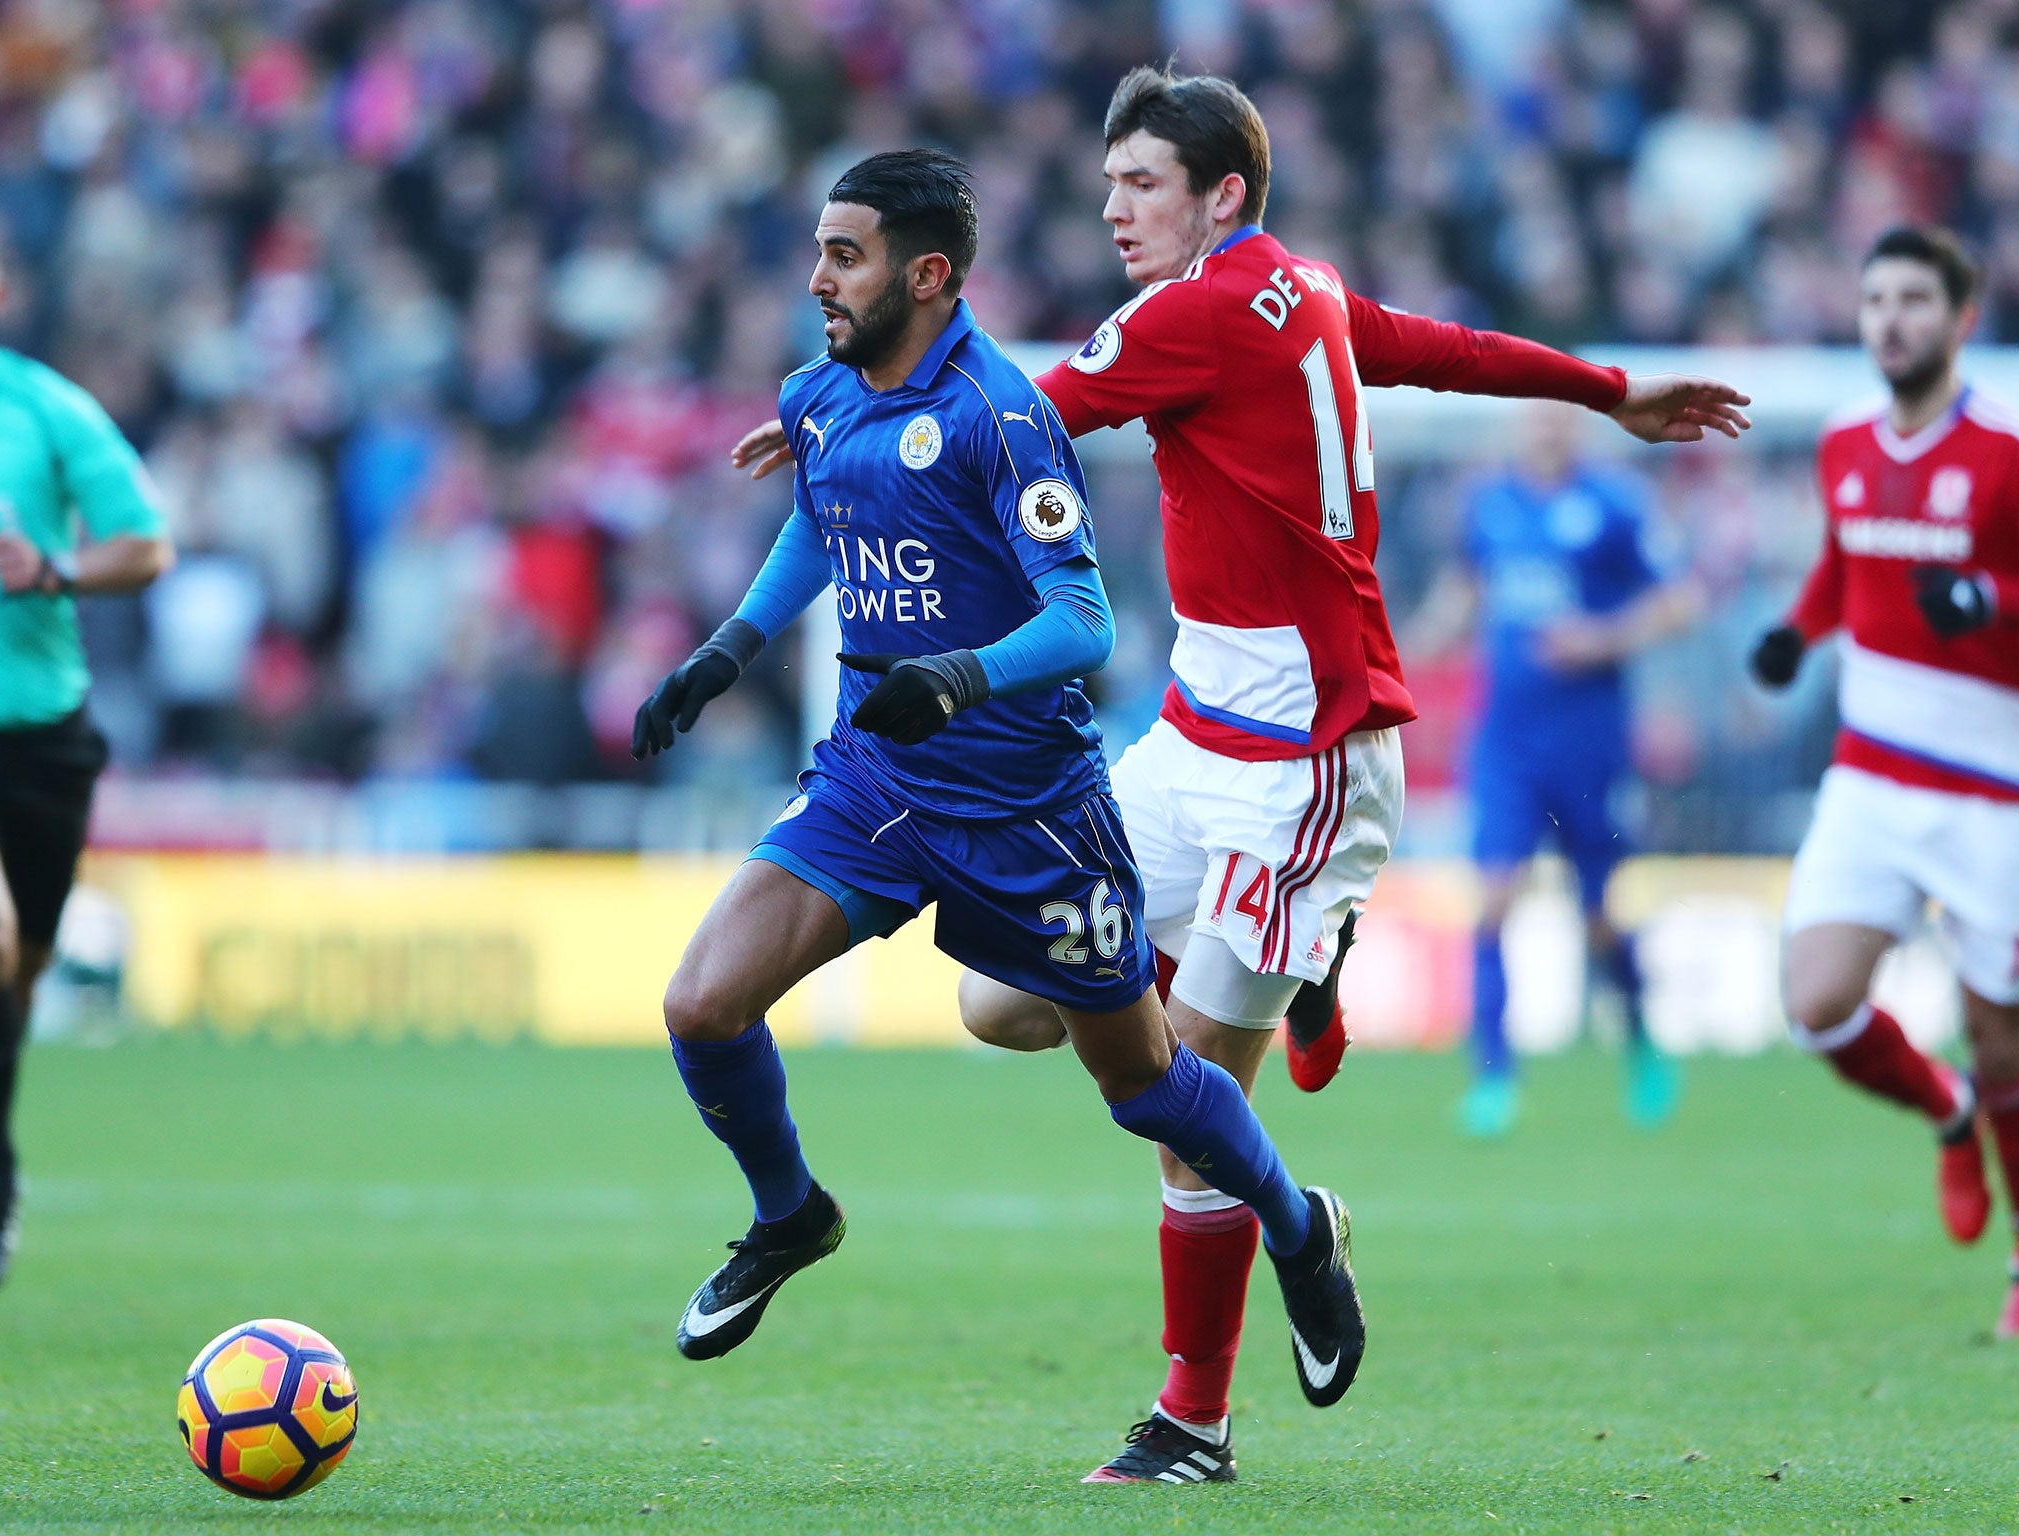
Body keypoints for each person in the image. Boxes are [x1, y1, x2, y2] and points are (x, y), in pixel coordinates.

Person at [735, 70, 1749, 1483]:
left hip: (1308, 761)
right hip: (1190, 737)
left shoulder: (1193, 313)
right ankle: (1300, 1025)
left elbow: (1024, 406)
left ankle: (1191, 1423)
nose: (1112, 208)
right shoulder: (1310, 287)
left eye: (1140, 184)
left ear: (1222, 194)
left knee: (1188, 1101)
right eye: (1106, 185)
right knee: (1004, 1005)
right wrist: (1606, 390)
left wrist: (851, 405)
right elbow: (1440, 348)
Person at [635, 150, 1366, 1438]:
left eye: (842, 256)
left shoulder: (1000, 413)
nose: (815, 279)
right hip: (877, 780)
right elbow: (824, 513)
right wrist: (726, 651)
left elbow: (1083, 622)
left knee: (1145, 1087)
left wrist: (962, 677)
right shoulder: (823, 392)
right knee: (702, 1002)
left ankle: (1297, 1230)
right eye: (817, 251)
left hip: (1028, 805)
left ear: (926, 274)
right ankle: (788, 1214)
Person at [1749, 226, 2019, 1334]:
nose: (1889, 320)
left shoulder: (2003, 451)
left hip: (1987, 785)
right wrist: (1795, 632)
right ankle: (1943, 1108)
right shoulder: (1843, 442)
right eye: (1873, 301)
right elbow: (1842, 562)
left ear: (1959, 320)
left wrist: (1991, 603)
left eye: (1913, 300)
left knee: (2002, 1031)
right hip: (1868, 773)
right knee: (1813, 1003)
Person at [0, 218, 175, 1289]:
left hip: (41, 735)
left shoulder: (43, 410)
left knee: (16, 971)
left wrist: (53, 571)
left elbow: (146, 544)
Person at [1406, 401, 1698, 1138]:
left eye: (1560, 416)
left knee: (1598, 916)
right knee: (1494, 898)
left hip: (1590, 742)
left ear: (1581, 425)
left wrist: (1602, 638)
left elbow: (1681, 599)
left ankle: (1639, 1041)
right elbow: (1466, 592)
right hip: (1506, 739)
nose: (1546, 427)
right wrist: (1411, 647)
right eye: (1535, 415)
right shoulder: (1491, 504)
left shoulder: (1615, 505)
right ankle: (1493, 1079)